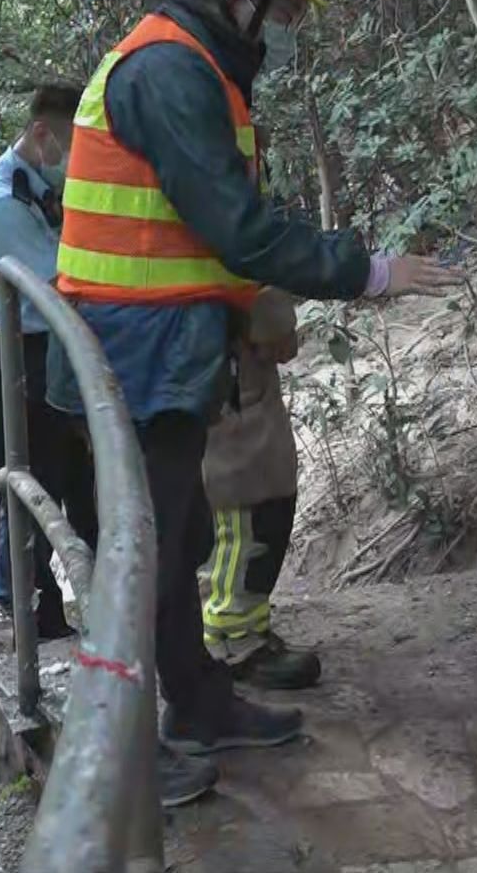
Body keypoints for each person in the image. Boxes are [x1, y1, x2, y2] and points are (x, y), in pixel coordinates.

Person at [47, 0, 460, 805]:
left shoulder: (190, 65)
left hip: (163, 348)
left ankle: (198, 704)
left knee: (176, 534)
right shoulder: (169, 71)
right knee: (141, 556)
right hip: (135, 353)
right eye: (274, 7)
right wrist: (368, 271)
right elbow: (236, 228)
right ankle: (115, 760)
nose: (274, 29)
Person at [0, 83, 88, 642]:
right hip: (23, 354)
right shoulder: (2, 204)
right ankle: (33, 608)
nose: (73, 159)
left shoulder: (32, 187)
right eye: (69, 144)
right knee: (34, 484)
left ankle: (48, 599)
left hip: (44, 348)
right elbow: (60, 284)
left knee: (66, 477)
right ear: (41, 134)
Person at [199, 285, 316, 689]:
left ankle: (241, 629)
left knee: (241, 528)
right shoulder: (230, 233)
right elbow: (278, 337)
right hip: (234, 404)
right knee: (244, 529)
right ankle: (234, 643)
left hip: (225, 389)